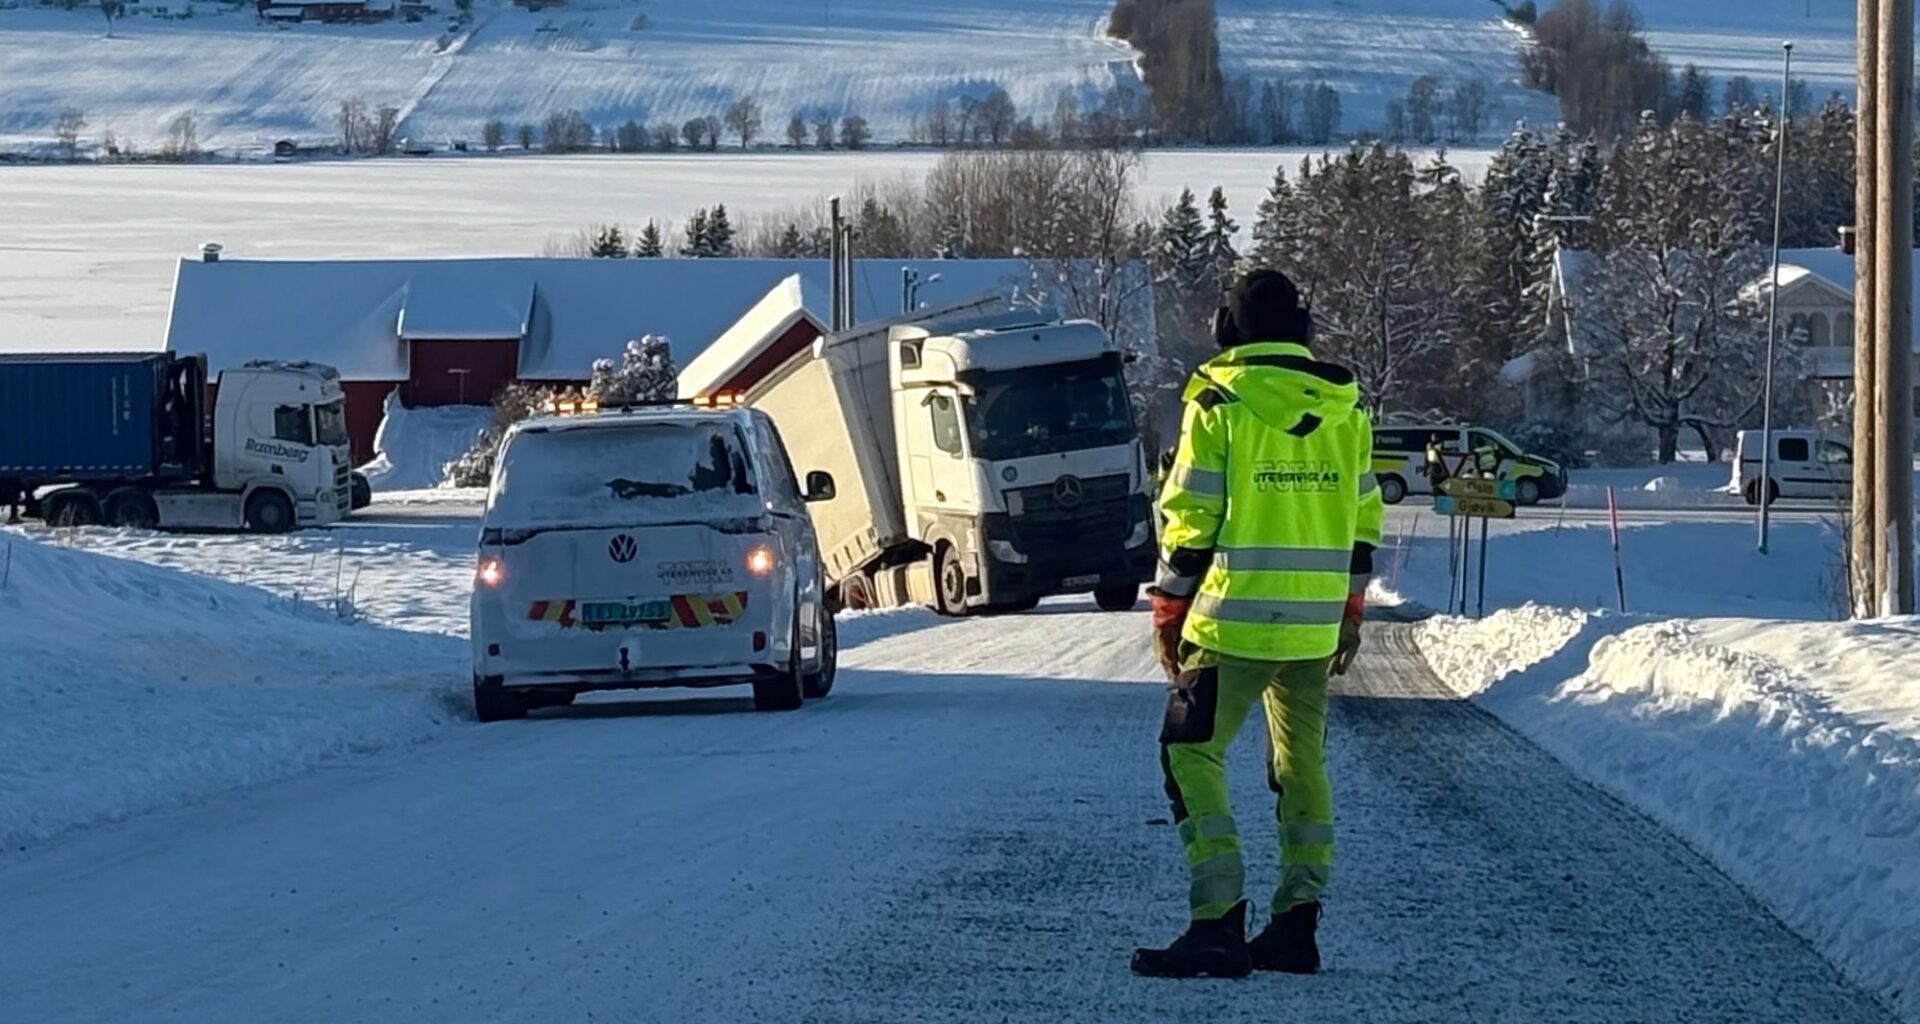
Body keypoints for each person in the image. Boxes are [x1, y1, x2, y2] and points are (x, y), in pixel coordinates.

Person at [1132, 269, 1383, 979]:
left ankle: (1216, 919)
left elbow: (1190, 520)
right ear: (1303, 327)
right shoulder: (1347, 409)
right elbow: (1364, 520)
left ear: (1226, 329)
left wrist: (1169, 608)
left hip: (1230, 622)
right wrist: (1350, 609)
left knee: (1190, 753)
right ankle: (1296, 924)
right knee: (1302, 766)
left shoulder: (1218, 402)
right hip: (1313, 629)